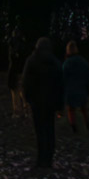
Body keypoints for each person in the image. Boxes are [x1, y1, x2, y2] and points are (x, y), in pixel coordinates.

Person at [21, 37, 64, 170]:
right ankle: (48, 159)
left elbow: (26, 82)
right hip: (50, 103)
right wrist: (59, 104)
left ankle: (41, 160)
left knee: (40, 131)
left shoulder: (32, 61)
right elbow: (60, 85)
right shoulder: (55, 62)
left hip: (37, 103)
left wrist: (28, 99)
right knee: (50, 130)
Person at [60, 41, 89, 133]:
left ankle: (74, 126)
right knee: (84, 108)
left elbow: (63, 78)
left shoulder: (67, 63)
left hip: (70, 90)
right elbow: (88, 77)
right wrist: (88, 89)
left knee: (71, 109)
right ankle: (88, 123)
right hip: (82, 88)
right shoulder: (83, 62)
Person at [6, 34, 29, 118]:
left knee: (16, 92)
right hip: (22, 71)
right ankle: (26, 110)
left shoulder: (13, 48)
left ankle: (18, 111)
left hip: (16, 71)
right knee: (23, 92)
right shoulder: (23, 46)